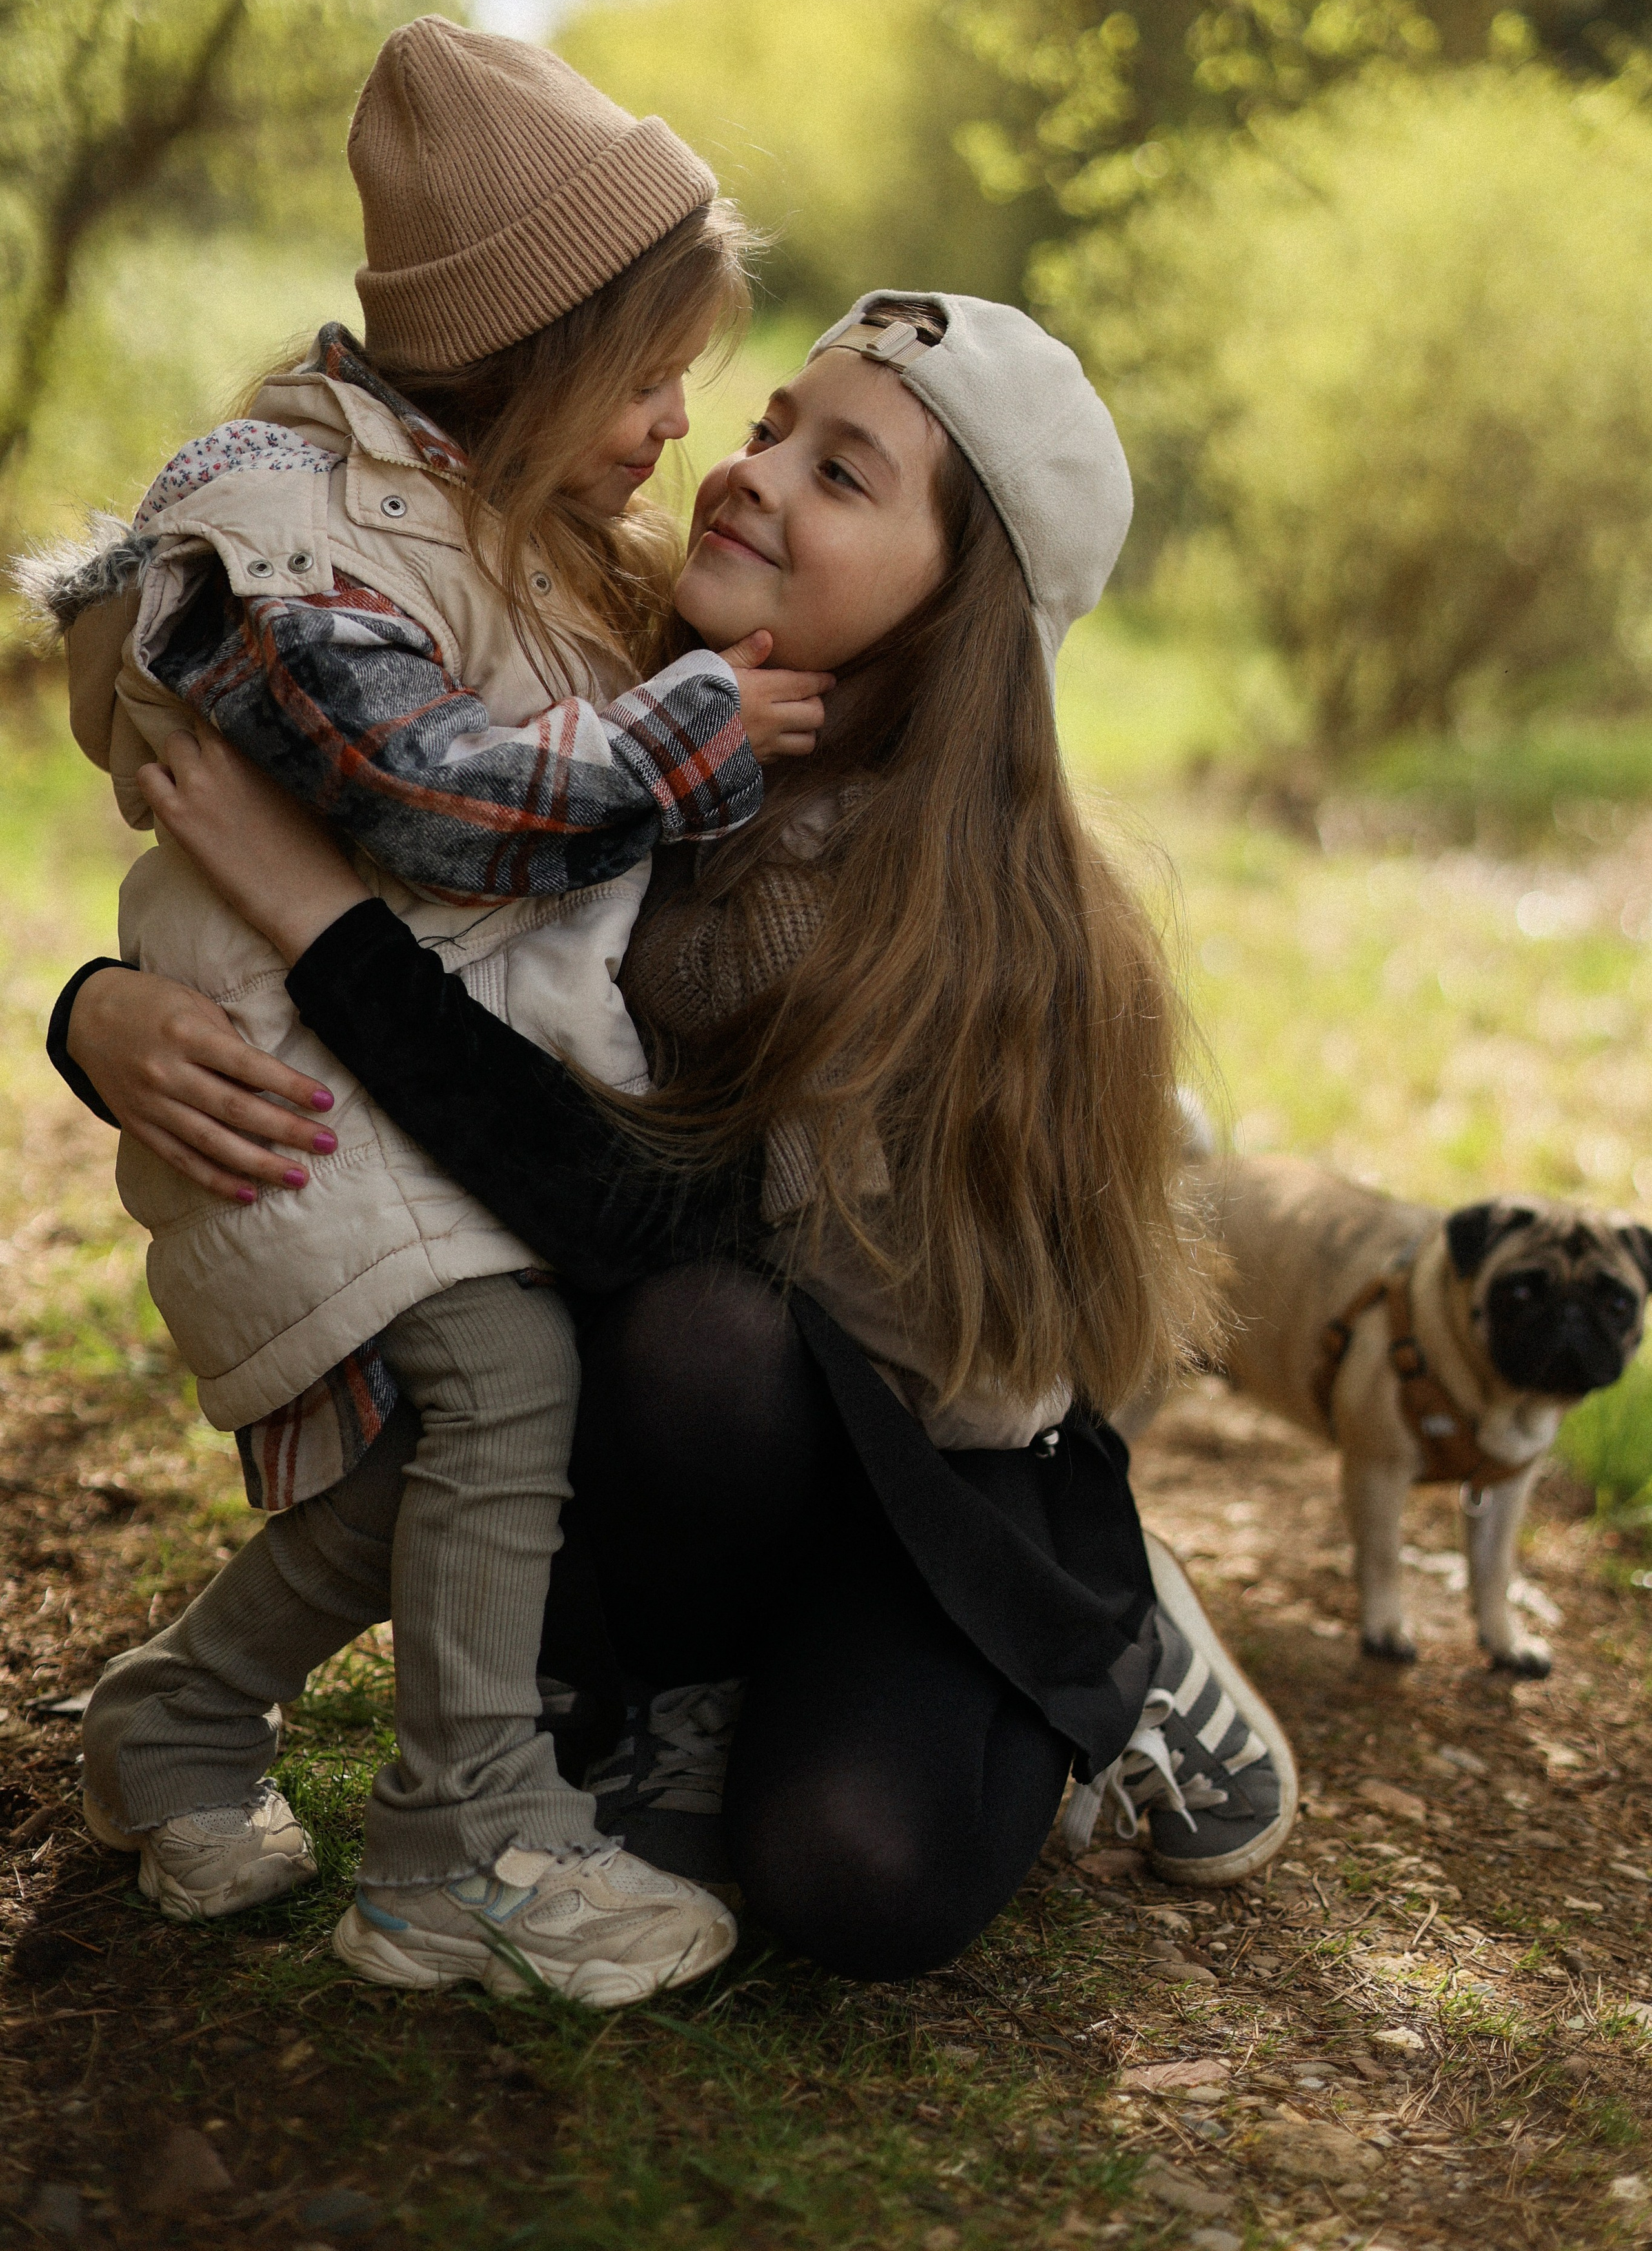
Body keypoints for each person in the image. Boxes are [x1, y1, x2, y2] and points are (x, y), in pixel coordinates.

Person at [54, 292, 1297, 1986]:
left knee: (856, 1879)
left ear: (961, 605)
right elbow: (325, 812)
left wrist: (321, 921)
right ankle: (681, 1690)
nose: (755, 472)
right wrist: (97, 1008)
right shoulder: (605, 685)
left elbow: (625, 1208)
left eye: (843, 474)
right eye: (774, 423)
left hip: (933, 1453)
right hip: (699, 1415)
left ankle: (1101, 1619)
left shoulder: (934, 915)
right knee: (682, 1347)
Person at [23, 17, 832, 2006]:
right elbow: (445, 805)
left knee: (430, 1456)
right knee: (506, 1385)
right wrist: (692, 725)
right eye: (647, 373)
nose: (674, 424)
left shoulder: (501, 514)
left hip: (367, 1086)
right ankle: (464, 1848)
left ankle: (176, 1724)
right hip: (286, 1091)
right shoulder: (298, 532)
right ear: (528, 349)